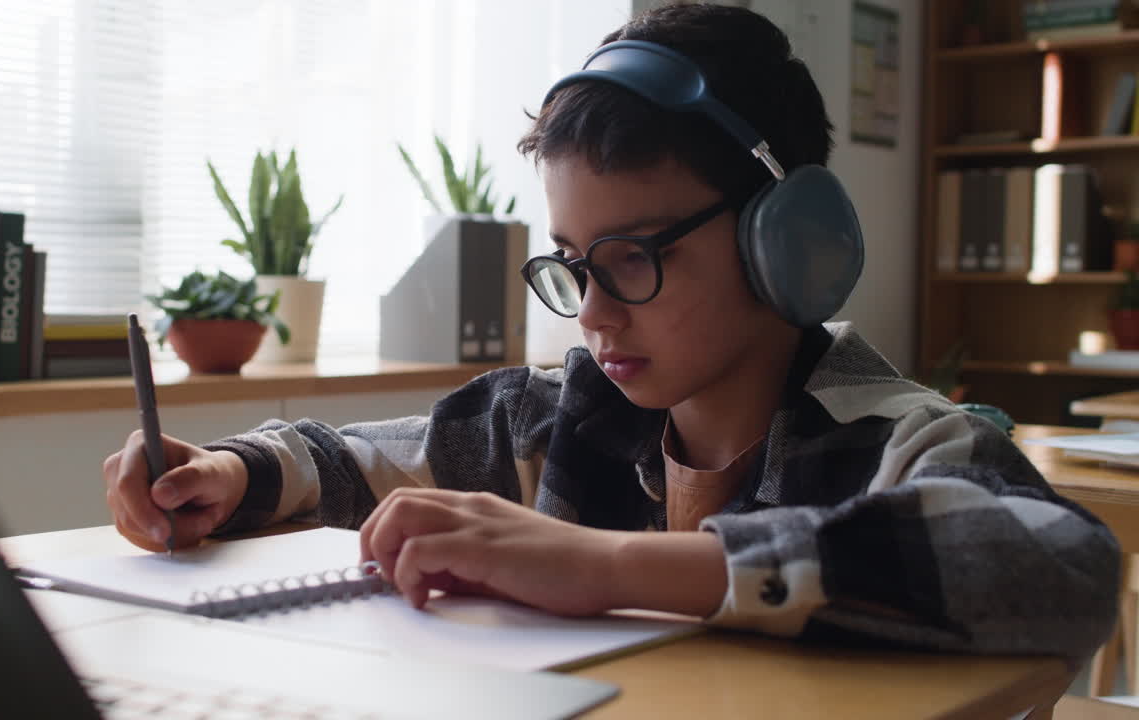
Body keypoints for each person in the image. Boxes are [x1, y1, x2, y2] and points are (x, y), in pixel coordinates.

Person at [104, 4, 1118, 659]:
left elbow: (1065, 562)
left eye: (632, 256)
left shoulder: (898, 440)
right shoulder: (563, 418)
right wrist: (227, 473)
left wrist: (604, 565)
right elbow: (357, 461)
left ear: (786, 240)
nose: (591, 311)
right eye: (572, 261)